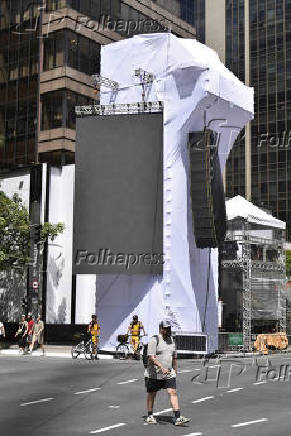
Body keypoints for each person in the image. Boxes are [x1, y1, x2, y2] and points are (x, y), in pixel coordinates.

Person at [145, 320, 190, 426]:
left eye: (169, 328)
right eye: (166, 328)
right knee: (152, 394)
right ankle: (150, 415)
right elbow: (151, 356)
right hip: (154, 374)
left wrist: (175, 369)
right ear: (161, 329)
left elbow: (173, 356)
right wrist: (161, 367)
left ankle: (178, 417)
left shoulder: (171, 340)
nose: (168, 330)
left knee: (172, 392)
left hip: (169, 373)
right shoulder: (154, 339)